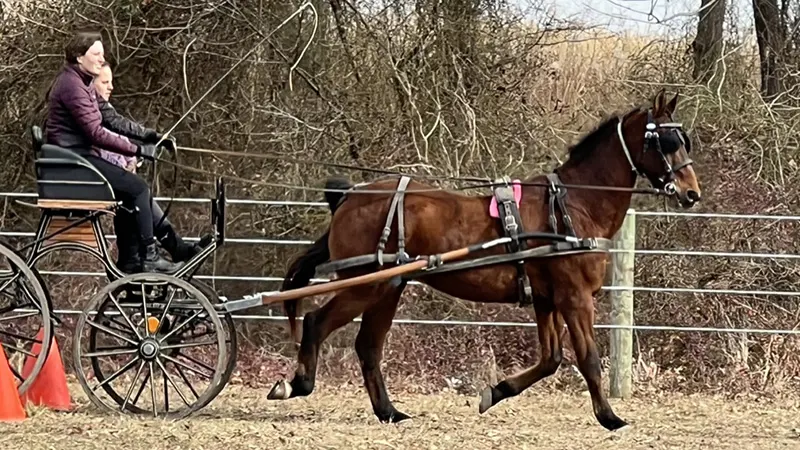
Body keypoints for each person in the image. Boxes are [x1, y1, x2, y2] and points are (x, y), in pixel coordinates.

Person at [43, 30, 182, 273]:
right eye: (96, 54)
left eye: (102, 54)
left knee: (130, 193)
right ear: (79, 57)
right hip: (75, 163)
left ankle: (130, 260)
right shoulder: (72, 86)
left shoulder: (82, 82)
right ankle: (149, 254)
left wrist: (148, 135)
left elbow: (112, 118)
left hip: (80, 159)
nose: (101, 59)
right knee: (138, 188)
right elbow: (95, 133)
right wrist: (137, 149)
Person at [93, 61, 211, 272]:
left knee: (140, 196)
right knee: (138, 191)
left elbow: (118, 134)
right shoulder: (92, 112)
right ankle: (150, 253)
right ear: (92, 84)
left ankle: (174, 247)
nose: (111, 87)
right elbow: (106, 141)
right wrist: (134, 154)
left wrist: (139, 149)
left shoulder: (99, 110)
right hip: (95, 173)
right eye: (105, 82)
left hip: (103, 170)